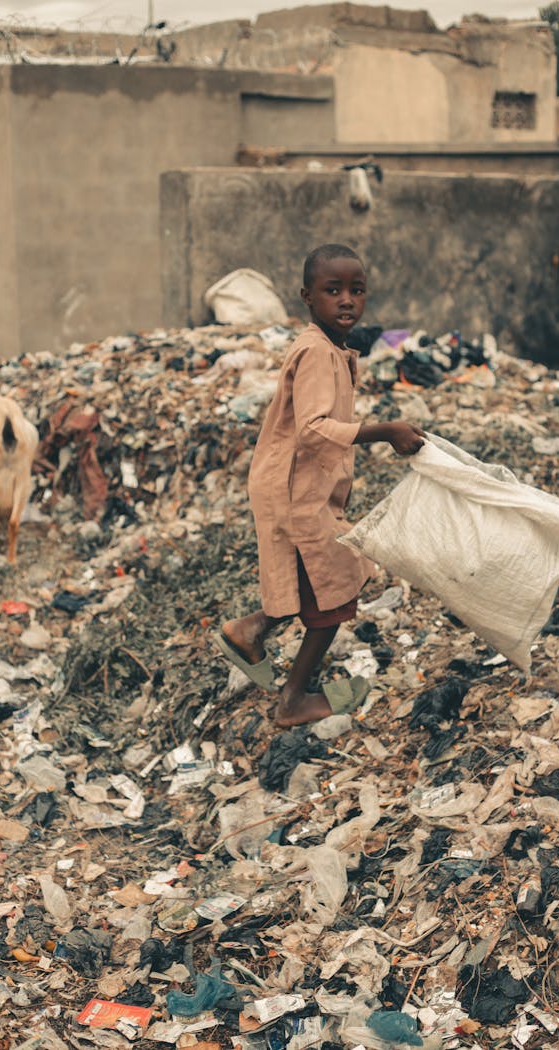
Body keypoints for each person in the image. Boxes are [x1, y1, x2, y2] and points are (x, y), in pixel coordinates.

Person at [216, 244, 425, 727]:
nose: (347, 300)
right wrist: (383, 431)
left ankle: (249, 630)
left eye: (357, 290)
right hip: (295, 493)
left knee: (313, 579)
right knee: (336, 592)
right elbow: (312, 428)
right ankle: (292, 702)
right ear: (307, 297)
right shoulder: (315, 352)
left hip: (299, 488)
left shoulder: (332, 348)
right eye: (333, 291)